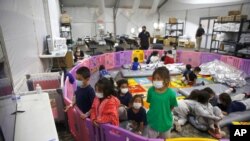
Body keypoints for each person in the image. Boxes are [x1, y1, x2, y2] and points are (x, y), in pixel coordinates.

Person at [147, 67, 178, 139]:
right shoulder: (151, 90)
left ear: (166, 80)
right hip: (152, 121)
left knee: (165, 139)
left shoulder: (171, 94)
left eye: (158, 79)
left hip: (166, 123)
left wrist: (165, 112)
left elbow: (172, 106)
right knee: (151, 139)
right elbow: (150, 102)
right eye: (154, 79)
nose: (155, 81)